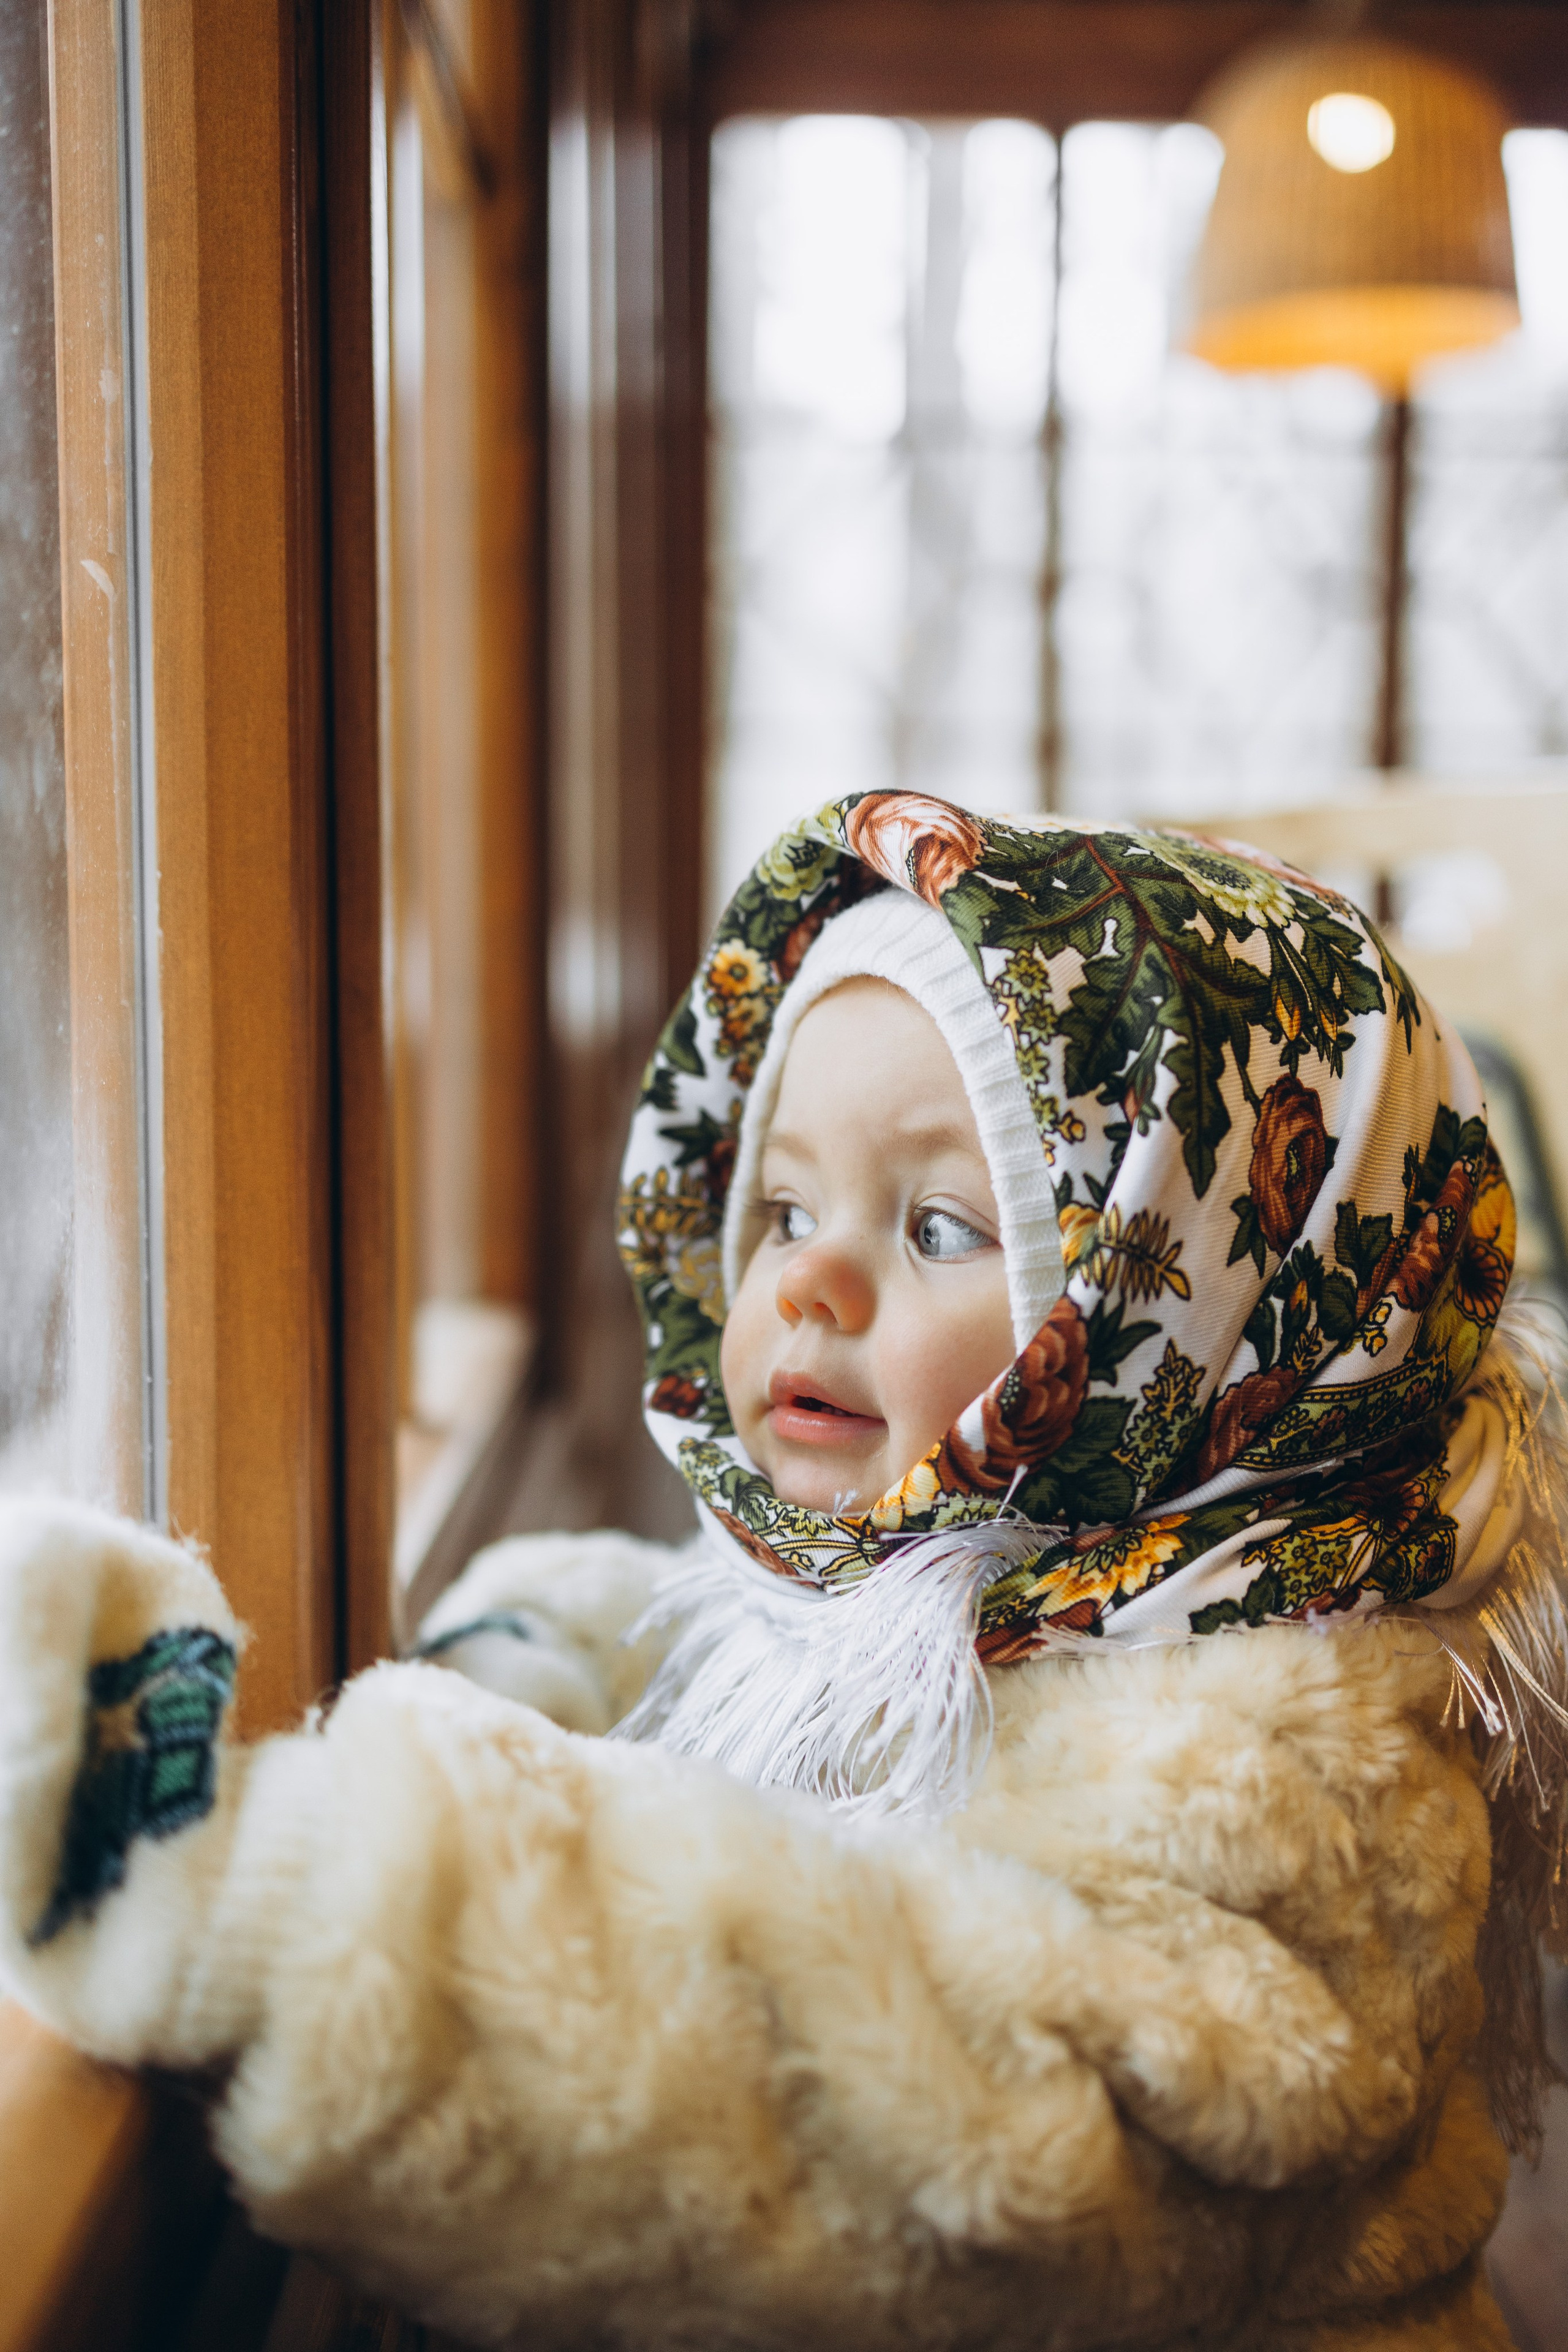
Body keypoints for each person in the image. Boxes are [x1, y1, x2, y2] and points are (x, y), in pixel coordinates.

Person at [2, 791, 1565, 2351]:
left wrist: (289, 1896)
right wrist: (549, 1652)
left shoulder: (1279, 1777)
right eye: (782, 1205)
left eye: (941, 1223)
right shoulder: (1034, 1554)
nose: (806, 1278)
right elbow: (791, 1682)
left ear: (1197, 1299)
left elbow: (882, 2116)